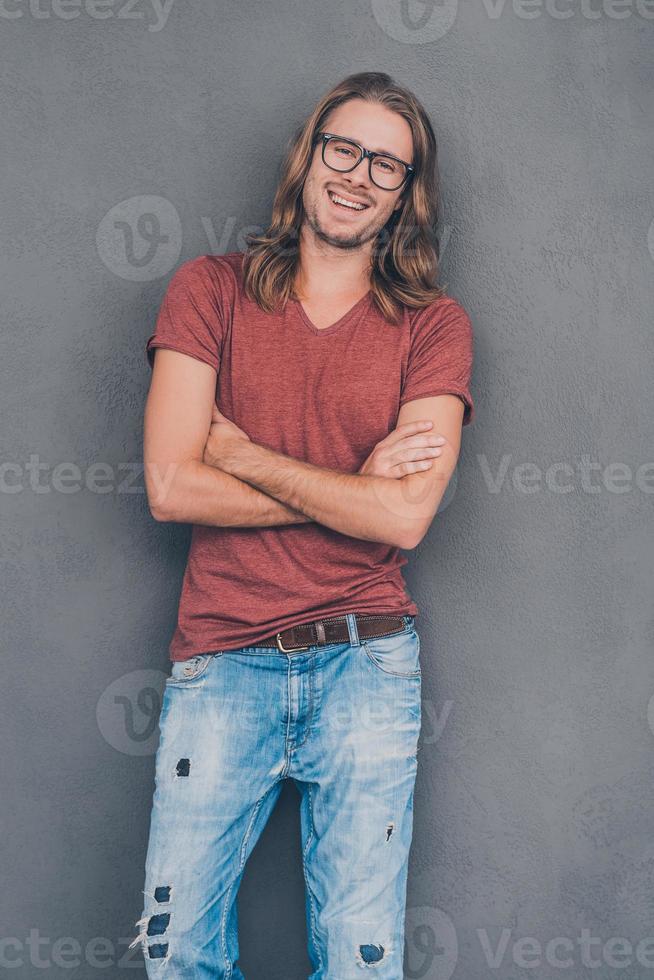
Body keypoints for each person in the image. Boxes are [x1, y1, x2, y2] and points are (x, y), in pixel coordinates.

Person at [131, 70, 475, 979]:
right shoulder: (208, 290)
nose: (360, 175)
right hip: (221, 657)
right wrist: (348, 486)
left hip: (367, 658)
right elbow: (171, 486)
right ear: (309, 154)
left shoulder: (433, 326)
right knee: (177, 957)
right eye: (345, 148)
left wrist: (240, 459)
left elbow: (404, 518)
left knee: (361, 965)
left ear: (407, 194)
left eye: (388, 166)